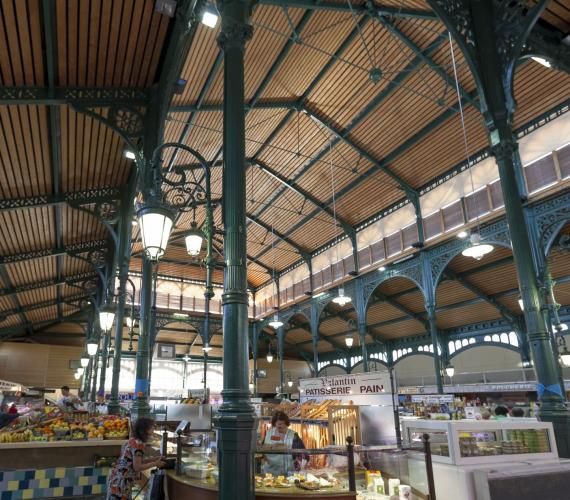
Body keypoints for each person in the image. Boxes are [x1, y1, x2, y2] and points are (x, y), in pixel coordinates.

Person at [106, 417, 164, 500]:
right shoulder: (139, 445)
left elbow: (135, 461)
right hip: (122, 483)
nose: (153, 430)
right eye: (151, 428)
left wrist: (154, 459)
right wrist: (155, 463)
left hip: (116, 478)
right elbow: (137, 467)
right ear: (143, 430)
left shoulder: (133, 440)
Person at [262, 411, 307, 476]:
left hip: (288, 474)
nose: (281, 426)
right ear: (275, 424)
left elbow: (303, 454)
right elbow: (262, 449)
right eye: (279, 425)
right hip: (269, 473)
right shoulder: (269, 433)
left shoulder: (293, 436)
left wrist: (301, 467)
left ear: (286, 424)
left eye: (283, 424)